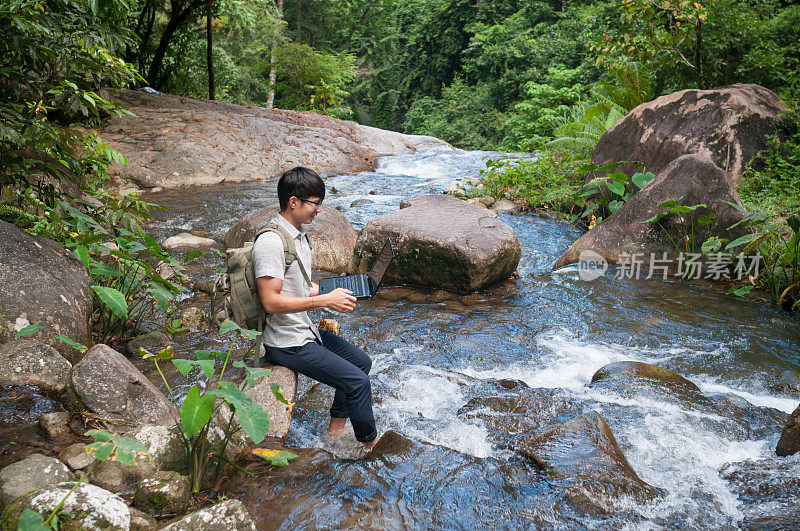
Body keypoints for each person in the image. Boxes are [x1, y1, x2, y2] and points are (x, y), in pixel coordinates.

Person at [252, 166, 379, 451]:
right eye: (315, 202)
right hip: (286, 343)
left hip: (303, 331)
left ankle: (333, 435)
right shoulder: (272, 242)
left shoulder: (297, 236)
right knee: (358, 383)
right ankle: (369, 448)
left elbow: (297, 287)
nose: (319, 210)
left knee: (361, 362)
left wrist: (336, 290)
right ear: (293, 201)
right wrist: (323, 301)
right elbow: (270, 301)